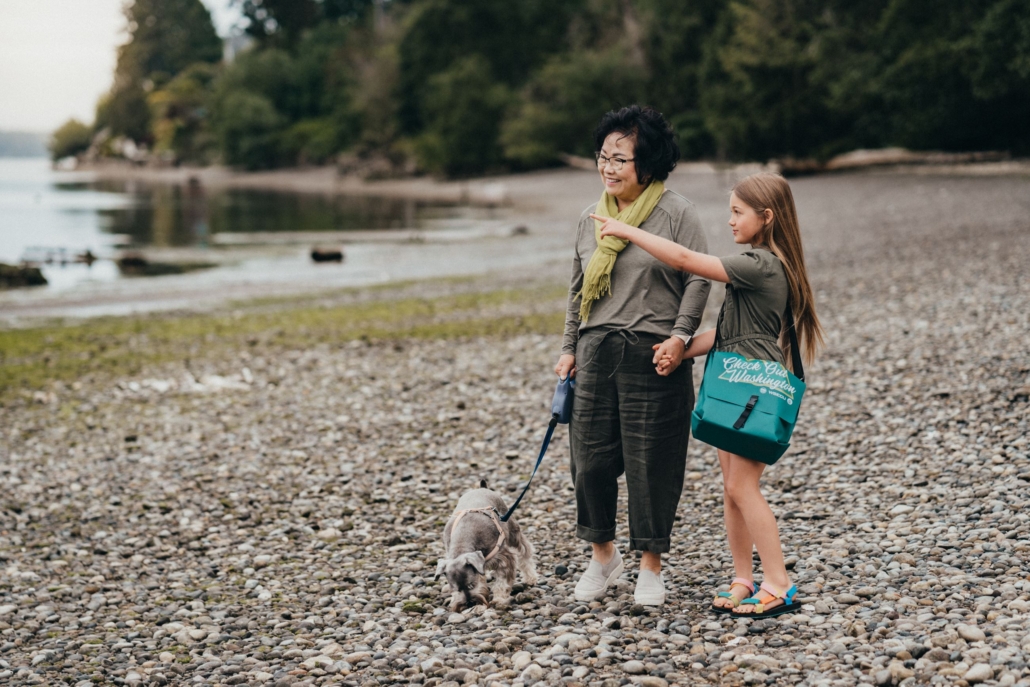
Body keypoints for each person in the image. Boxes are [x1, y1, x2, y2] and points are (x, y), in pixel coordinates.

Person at [594, 172, 824, 618]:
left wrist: (626, 229)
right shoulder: (757, 263)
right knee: (731, 489)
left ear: (767, 217)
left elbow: (683, 258)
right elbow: (727, 333)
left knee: (743, 485)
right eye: (730, 211)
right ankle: (743, 578)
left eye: (738, 212)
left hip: (749, 389)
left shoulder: (763, 265)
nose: (730, 221)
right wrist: (681, 349)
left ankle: (779, 582)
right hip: (732, 381)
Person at [556, 105, 711, 607]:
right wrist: (568, 350)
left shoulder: (676, 213)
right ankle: (604, 556)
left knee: (653, 465)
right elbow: (577, 291)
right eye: (604, 157)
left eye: (620, 158)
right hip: (596, 349)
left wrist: (682, 337)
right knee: (590, 463)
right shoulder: (589, 218)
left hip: (655, 352)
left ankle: (651, 565)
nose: (609, 167)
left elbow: (699, 276)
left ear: (647, 163)